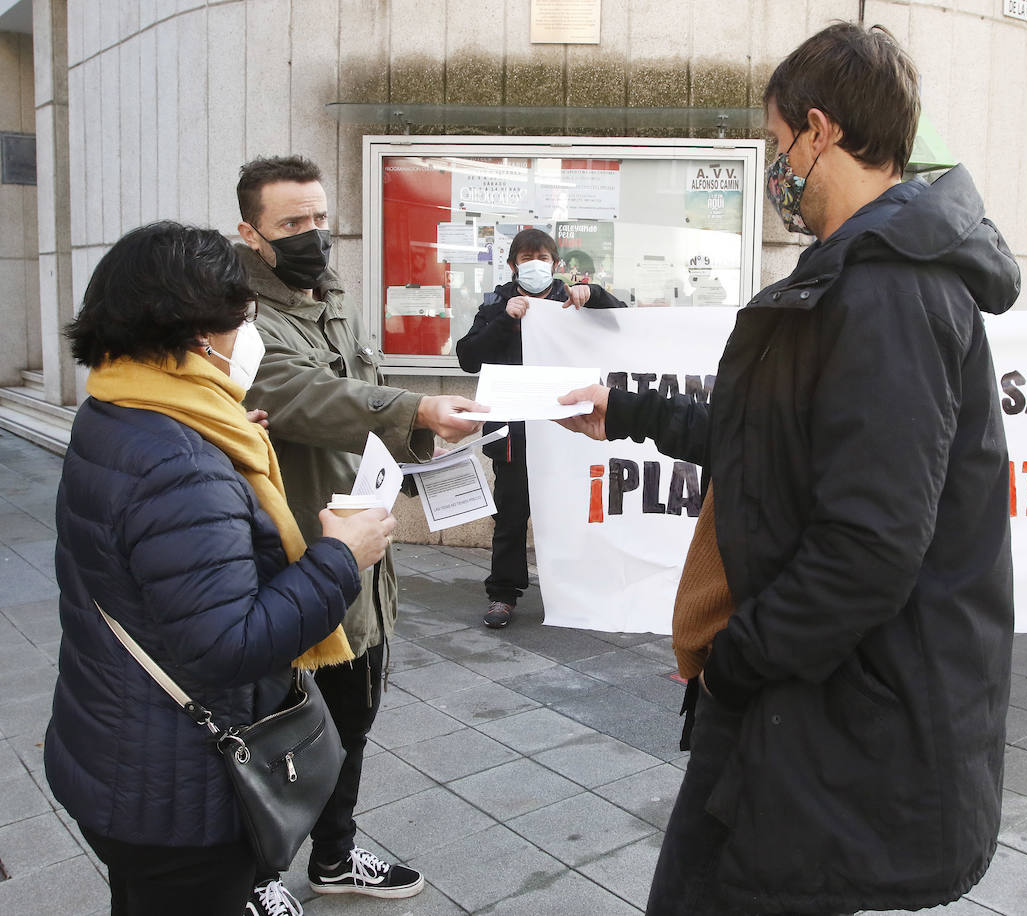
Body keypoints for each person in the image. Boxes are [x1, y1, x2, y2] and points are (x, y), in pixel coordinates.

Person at [557, 23, 1017, 915]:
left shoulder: (888, 290)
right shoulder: (861, 272)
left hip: (825, 713)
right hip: (800, 708)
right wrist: (631, 413)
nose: (776, 166)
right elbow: (771, 444)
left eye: (775, 143)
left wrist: (736, 661)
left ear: (820, 130)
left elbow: (870, 546)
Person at [44, 222, 395, 915]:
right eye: (242, 316)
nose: (248, 332)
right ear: (197, 330)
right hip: (176, 793)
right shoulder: (182, 459)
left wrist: (224, 461)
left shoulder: (121, 405)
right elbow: (227, 643)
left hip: (115, 750)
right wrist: (340, 558)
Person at [233, 155, 486, 912]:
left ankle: (335, 858)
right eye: (291, 224)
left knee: (350, 727)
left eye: (319, 219)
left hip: (361, 562)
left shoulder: (334, 300)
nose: (313, 236)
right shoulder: (242, 320)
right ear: (250, 232)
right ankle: (253, 880)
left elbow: (356, 417)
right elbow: (308, 397)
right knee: (272, 737)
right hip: (290, 566)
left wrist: (423, 441)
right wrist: (414, 409)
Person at [455, 228, 627, 628]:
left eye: (543, 257)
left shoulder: (571, 300)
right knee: (511, 515)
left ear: (555, 264)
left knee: (574, 513)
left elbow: (623, 327)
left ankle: (577, 591)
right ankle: (503, 594)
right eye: (527, 257)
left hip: (569, 431)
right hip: (515, 434)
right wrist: (503, 319)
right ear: (514, 264)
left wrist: (595, 295)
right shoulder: (497, 303)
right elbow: (468, 357)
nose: (536, 264)